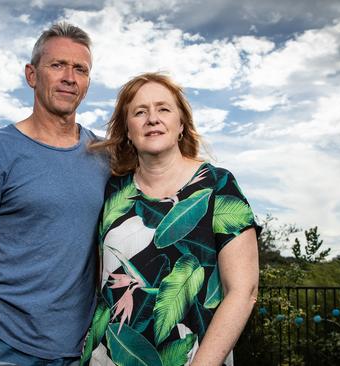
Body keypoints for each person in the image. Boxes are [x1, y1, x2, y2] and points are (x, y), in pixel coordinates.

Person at [0, 22, 110, 366]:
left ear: (87, 83)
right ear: (31, 75)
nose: (69, 76)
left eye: (80, 69)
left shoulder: (103, 156)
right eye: (57, 65)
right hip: (3, 347)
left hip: (79, 350)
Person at [81, 73, 260, 365]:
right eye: (140, 112)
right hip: (110, 356)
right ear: (128, 130)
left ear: (181, 125)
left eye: (163, 109)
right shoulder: (113, 190)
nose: (152, 118)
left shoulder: (217, 186)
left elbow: (243, 291)